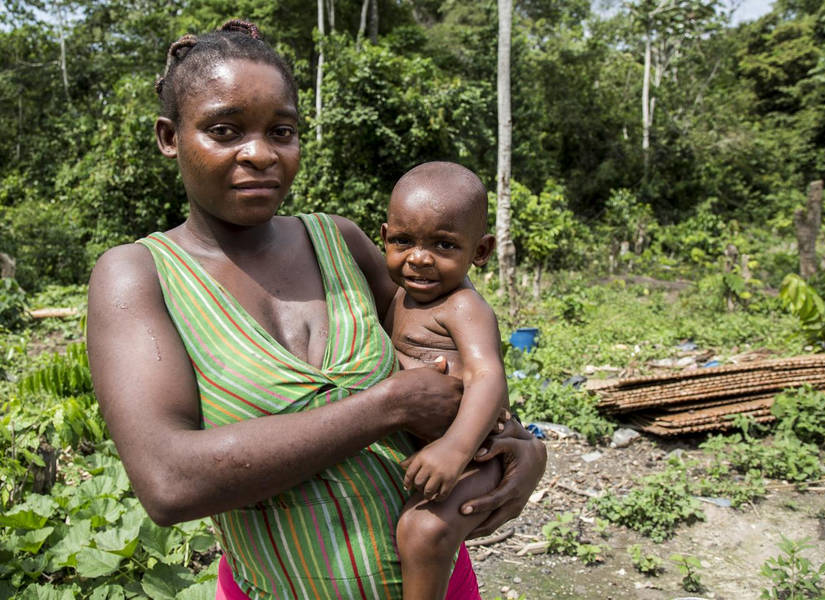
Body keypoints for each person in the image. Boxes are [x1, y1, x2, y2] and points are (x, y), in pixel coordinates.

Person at [86, 20, 546, 600]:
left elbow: (453, 360)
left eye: (282, 130)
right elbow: (169, 483)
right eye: (224, 130)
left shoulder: (344, 244)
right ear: (170, 136)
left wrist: (525, 449)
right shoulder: (138, 276)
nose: (260, 153)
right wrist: (387, 405)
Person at [382, 162, 510, 600]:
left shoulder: (462, 307)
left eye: (443, 244)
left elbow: (488, 375)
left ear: (481, 250)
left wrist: (455, 449)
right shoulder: (397, 296)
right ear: (384, 237)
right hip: (439, 452)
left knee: (422, 530)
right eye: (403, 241)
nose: (419, 257)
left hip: (476, 456)